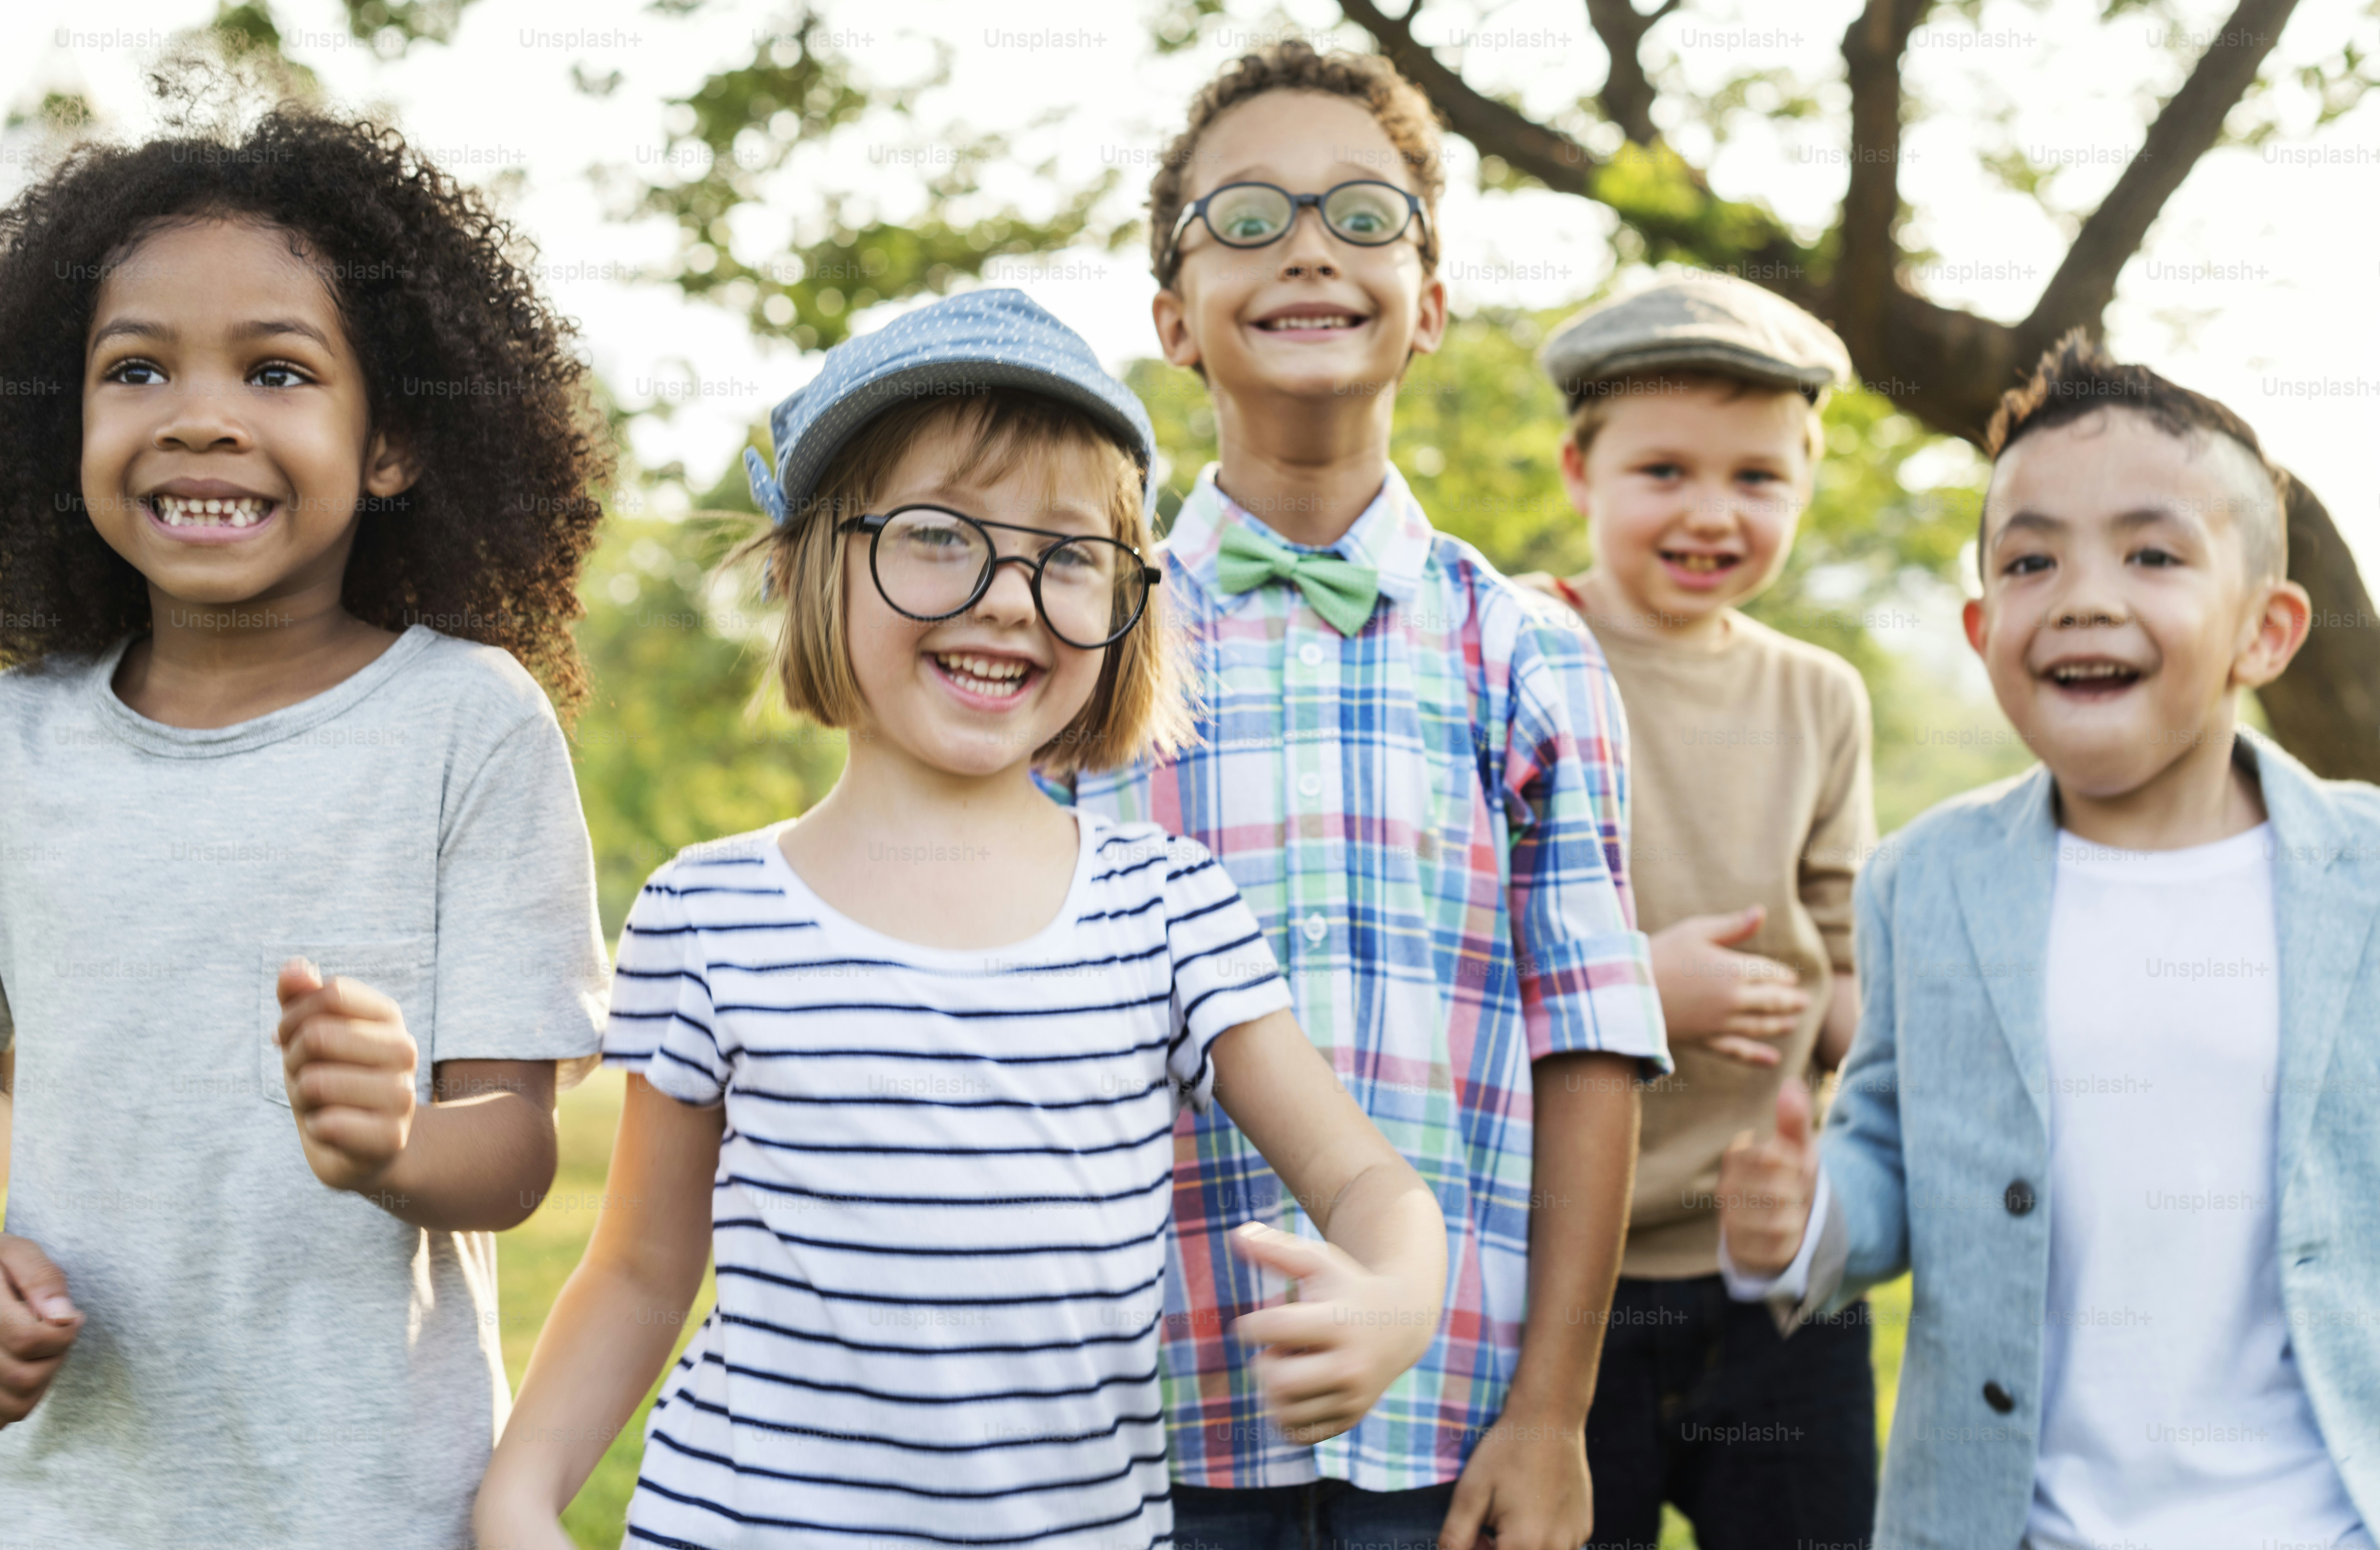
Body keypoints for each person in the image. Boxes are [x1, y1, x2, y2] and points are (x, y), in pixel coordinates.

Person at [471, 290, 1450, 1550]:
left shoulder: (1166, 910)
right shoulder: (708, 915)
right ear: (812, 563)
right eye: (940, 536)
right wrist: (521, 1491)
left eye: (1068, 556)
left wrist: (1400, 1292)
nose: (1007, 597)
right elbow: (642, 1270)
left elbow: (1365, 1181)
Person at [1057, 43, 1669, 1550]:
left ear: (1434, 302)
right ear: (1172, 320)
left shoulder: (1528, 652)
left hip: (1448, 1427)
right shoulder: (1077, 639)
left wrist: (1550, 1414)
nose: (1311, 246)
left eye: (1365, 215)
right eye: (1249, 220)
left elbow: (1585, 1041)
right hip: (1134, 1421)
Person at [1718, 333, 2380, 1550]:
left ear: (2266, 632)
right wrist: (1807, 1216)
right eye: (2031, 560)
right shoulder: (1928, 880)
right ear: (1981, 627)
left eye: (2153, 553)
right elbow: (1891, 1151)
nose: (2084, 595)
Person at [0, 105, 612, 1548]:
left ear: (391, 442)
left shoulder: (469, 724)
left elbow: (516, 1150)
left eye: (277, 371)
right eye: (134, 368)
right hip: (72, 1505)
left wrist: (396, 1144)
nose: (199, 414)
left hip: (367, 1502)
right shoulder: (17, 742)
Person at [1517, 271, 1879, 1549]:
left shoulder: (1818, 696)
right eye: (1664, 471)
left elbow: (1845, 961)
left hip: (1769, 1267)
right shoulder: (1518, 651)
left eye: (1758, 479)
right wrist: (1638, 992)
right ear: (1580, 471)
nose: (1712, 514)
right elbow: (1452, 947)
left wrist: (1872, 1041)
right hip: (1564, 1278)